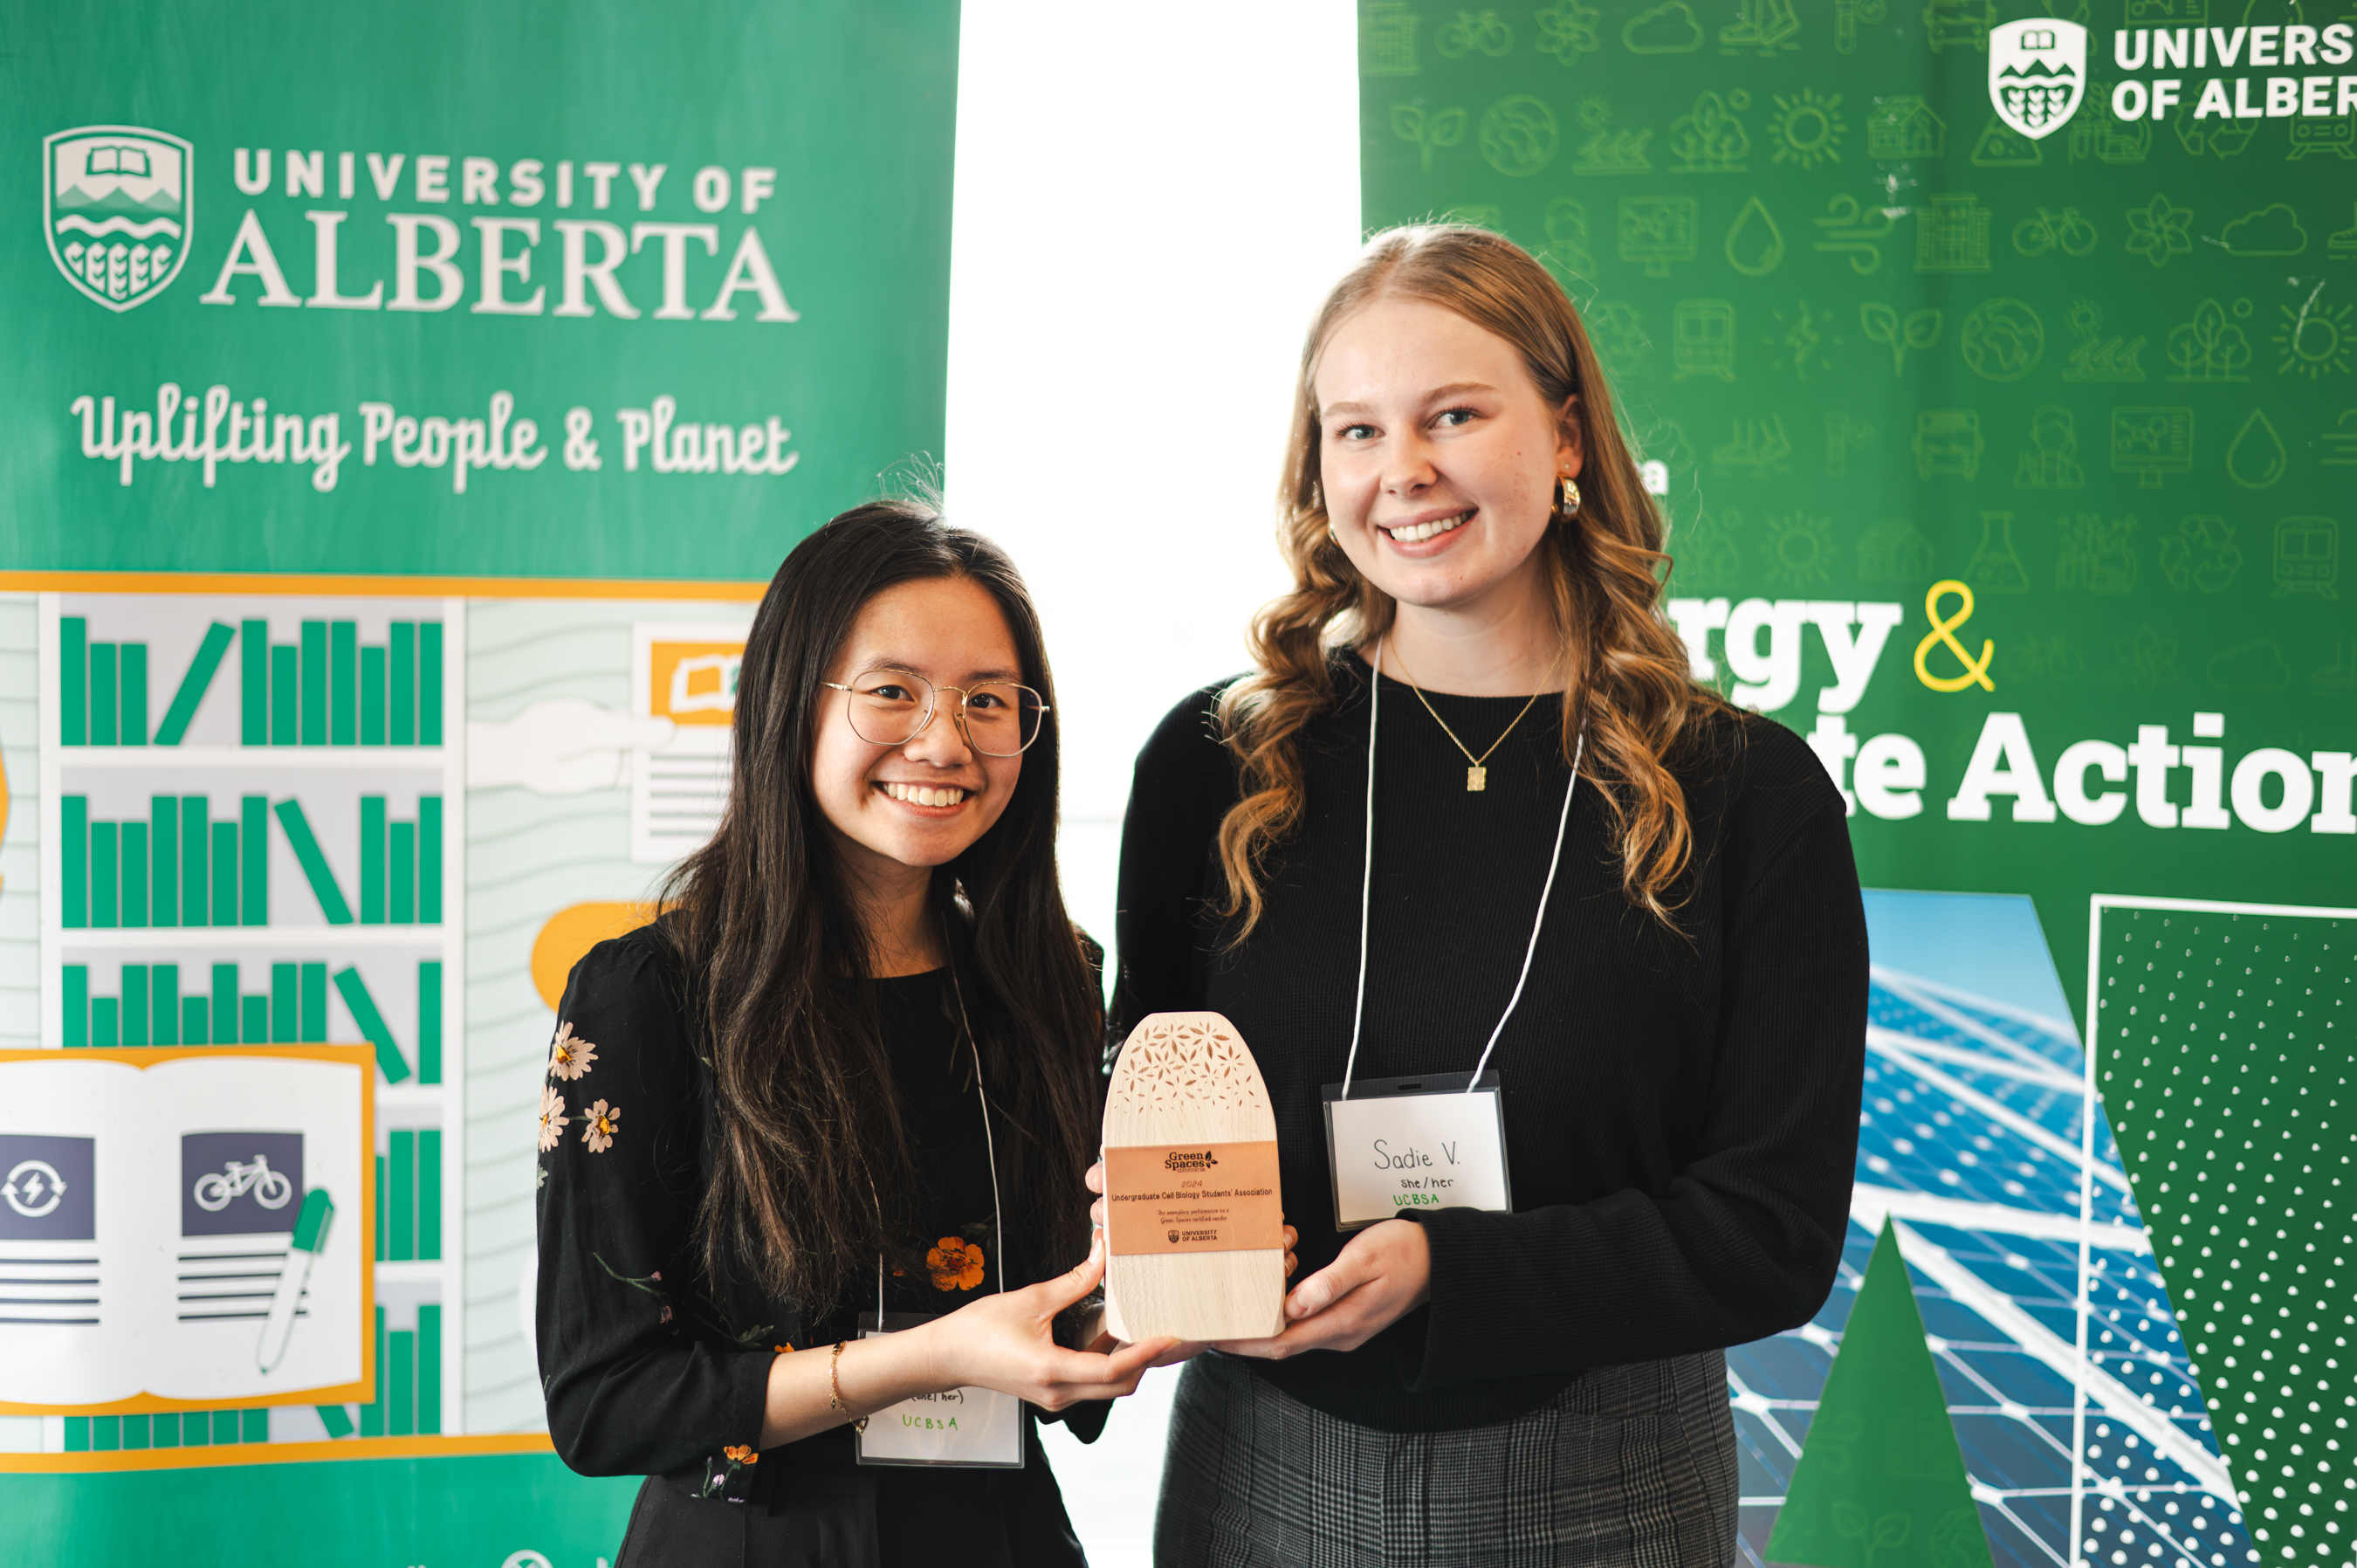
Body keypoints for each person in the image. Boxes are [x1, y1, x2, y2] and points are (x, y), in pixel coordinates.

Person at [1111, 225, 1869, 1565]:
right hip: (1261, 1466)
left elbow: (1776, 1232)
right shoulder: (1216, 761)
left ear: (1567, 436)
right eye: (1356, 431)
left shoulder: (1748, 792)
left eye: (1455, 414)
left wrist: (1448, 1272)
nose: (1403, 472)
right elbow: (1145, 1104)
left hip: (1605, 1481)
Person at [537, 499, 1171, 1566]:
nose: (944, 740)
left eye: (988, 700)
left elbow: (1061, 1334)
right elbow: (605, 1401)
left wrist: (1158, 1305)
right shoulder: (647, 994)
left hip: (997, 1536)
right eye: (892, 692)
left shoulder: (1050, 977)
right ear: (791, 703)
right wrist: (926, 1357)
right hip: (754, 1540)